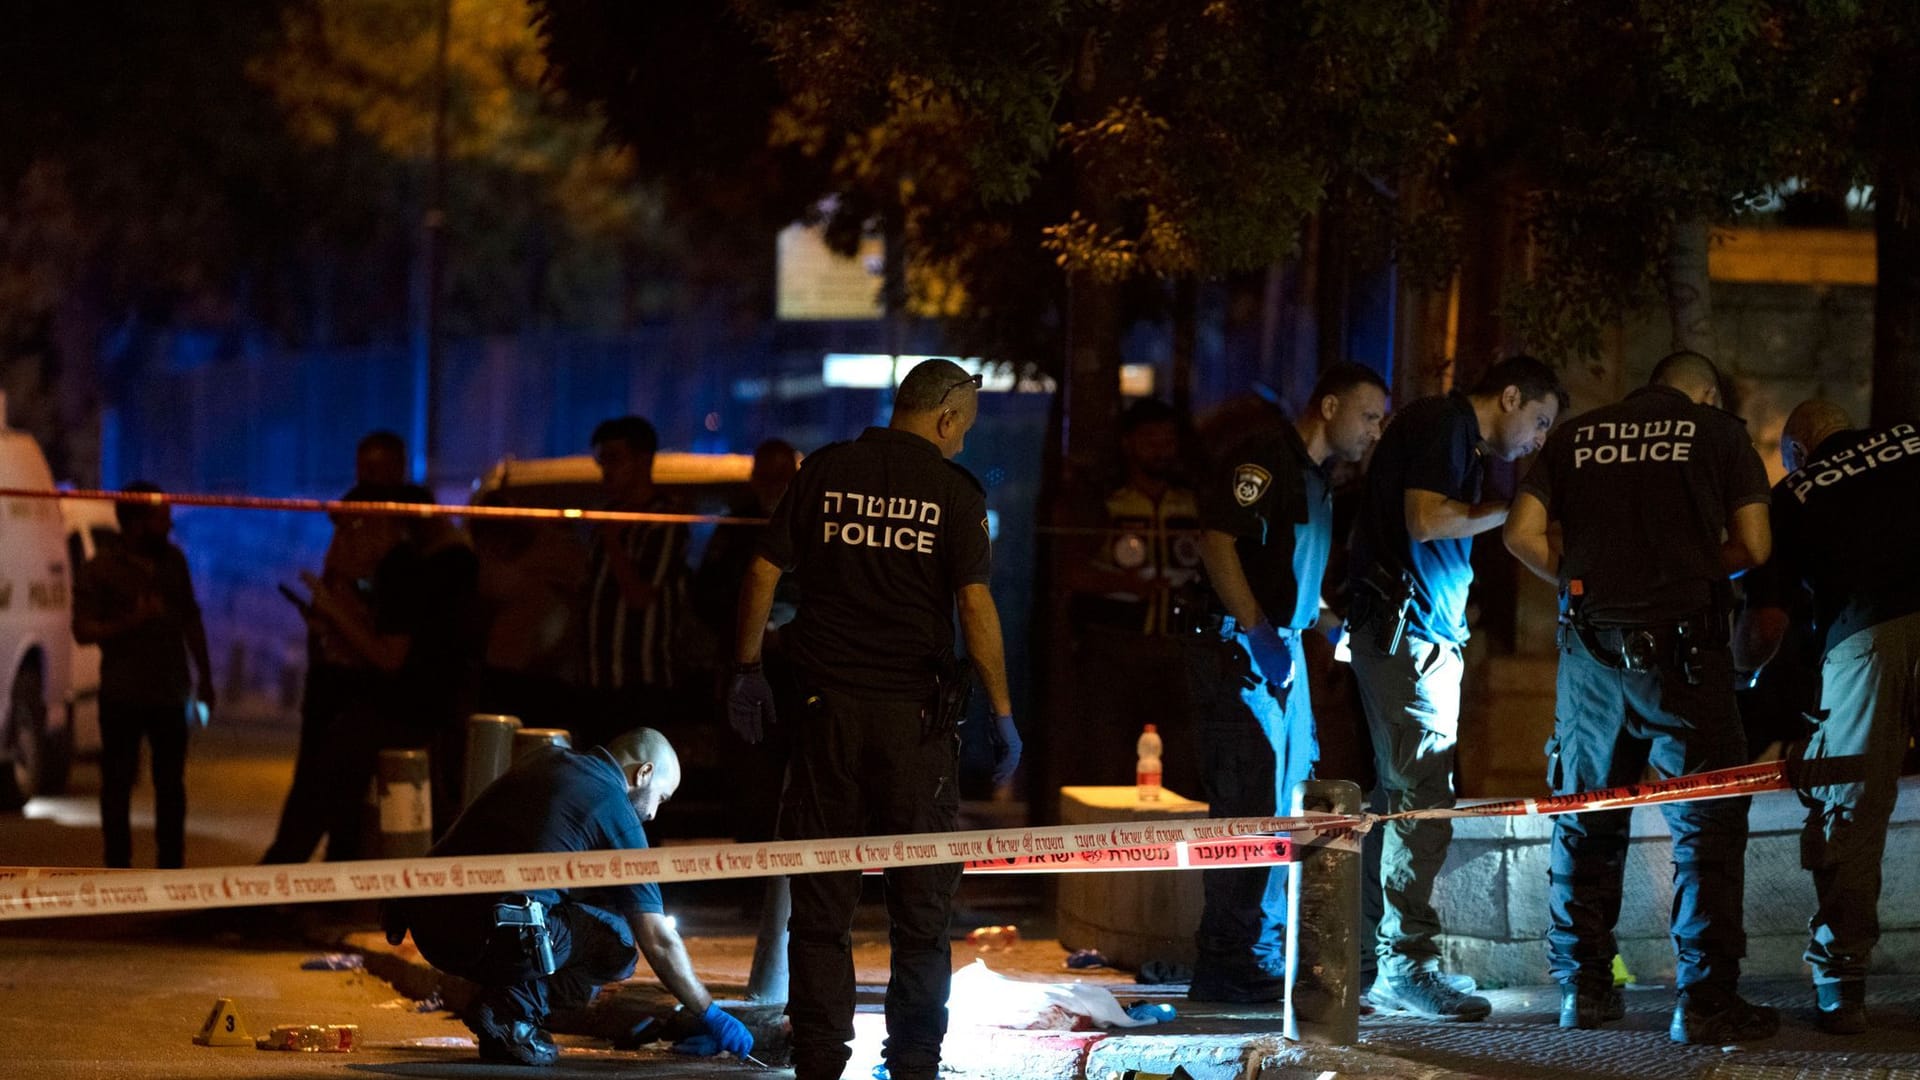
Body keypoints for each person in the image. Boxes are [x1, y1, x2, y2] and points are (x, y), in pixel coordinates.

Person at [727, 358, 1018, 1080]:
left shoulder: (825, 472)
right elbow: (975, 607)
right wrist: (1004, 711)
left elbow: (763, 570)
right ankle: (914, 1060)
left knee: (821, 903)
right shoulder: (952, 493)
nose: (962, 441)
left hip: (826, 718)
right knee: (921, 907)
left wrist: (747, 669)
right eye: (964, 428)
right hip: (914, 726)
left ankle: (821, 1059)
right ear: (946, 417)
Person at [1505, 351, 1776, 1044]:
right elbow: (1755, 542)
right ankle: (1705, 1001)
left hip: (1591, 656)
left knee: (1586, 813)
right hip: (1685, 656)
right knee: (1706, 824)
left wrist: (1583, 581)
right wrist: (1691, 571)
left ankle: (1585, 991)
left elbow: (1519, 534)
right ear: (1705, 393)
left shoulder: (1575, 436)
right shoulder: (1719, 435)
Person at [1346, 354, 1565, 1021]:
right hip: (1408, 636)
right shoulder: (1447, 423)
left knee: (1402, 798)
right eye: (1540, 420)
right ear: (1508, 396)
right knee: (1423, 799)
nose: (1539, 439)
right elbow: (1427, 520)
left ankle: (1380, 961)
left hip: (1418, 632)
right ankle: (1403, 967)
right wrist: (1510, 510)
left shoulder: (1452, 433)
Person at [1184, 363, 1388, 1004]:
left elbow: (1292, 578)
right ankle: (1229, 961)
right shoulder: (1267, 457)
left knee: (1279, 807)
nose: (1376, 431)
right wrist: (1259, 633)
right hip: (1241, 654)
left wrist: (1329, 627)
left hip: (1282, 652)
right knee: (1249, 806)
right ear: (1329, 407)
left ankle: (1257, 954)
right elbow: (1218, 542)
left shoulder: (1316, 479)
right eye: (1370, 416)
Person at [382, 727, 753, 1066]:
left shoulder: (546, 760)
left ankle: (503, 1005)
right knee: (618, 942)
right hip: (490, 934)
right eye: (661, 797)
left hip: (429, 926)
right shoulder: (613, 803)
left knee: (576, 913)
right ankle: (511, 1012)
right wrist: (710, 1014)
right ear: (643, 774)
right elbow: (657, 937)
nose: (654, 814)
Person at [1739, 399, 1920, 1035]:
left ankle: (1842, 982)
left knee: (1849, 805)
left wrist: (1743, 676)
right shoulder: (1912, 435)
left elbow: (1768, 621)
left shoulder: (1792, 496)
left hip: (1864, 638)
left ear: (1796, 453)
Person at [299, 484, 483, 838]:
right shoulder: (402, 569)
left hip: (408, 716)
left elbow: (390, 657)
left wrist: (333, 607)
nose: (342, 541)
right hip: (412, 714)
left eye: (352, 528)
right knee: (350, 824)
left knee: (321, 816)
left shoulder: (403, 570)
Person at [264, 432, 409, 864]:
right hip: (330, 671)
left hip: (360, 678)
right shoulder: (350, 521)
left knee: (337, 792)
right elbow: (336, 584)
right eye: (364, 468)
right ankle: (288, 883)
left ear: (398, 471)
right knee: (314, 783)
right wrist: (322, 616)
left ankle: (314, 881)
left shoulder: (397, 534)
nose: (369, 477)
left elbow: (380, 623)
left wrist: (337, 611)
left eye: (379, 469)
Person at [1063, 398, 1207, 796]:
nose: (1161, 449)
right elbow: (1072, 572)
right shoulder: (1106, 502)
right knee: (1107, 759)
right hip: (1114, 649)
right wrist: (1130, 586)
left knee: (1184, 760)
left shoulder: (1192, 502)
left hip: (1179, 647)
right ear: (1129, 443)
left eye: (1167, 441)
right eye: (1151, 440)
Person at [71, 482, 214, 869]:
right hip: (123, 695)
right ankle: (117, 869)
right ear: (135, 523)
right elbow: (83, 630)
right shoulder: (100, 569)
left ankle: (172, 871)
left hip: (170, 694)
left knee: (171, 788)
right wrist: (131, 622)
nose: (168, 525)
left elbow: (191, 621)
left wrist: (206, 679)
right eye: (160, 518)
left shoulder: (174, 562)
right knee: (117, 785)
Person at [584, 415, 690, 747]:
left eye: (614, 460)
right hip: (597, 679)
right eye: (603, 462)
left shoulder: (663, 519)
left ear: (643, 459)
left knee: (636, 780)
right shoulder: (609, 514)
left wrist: (614, 541)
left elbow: (640, 597)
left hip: (642, 680)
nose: (607, 471)